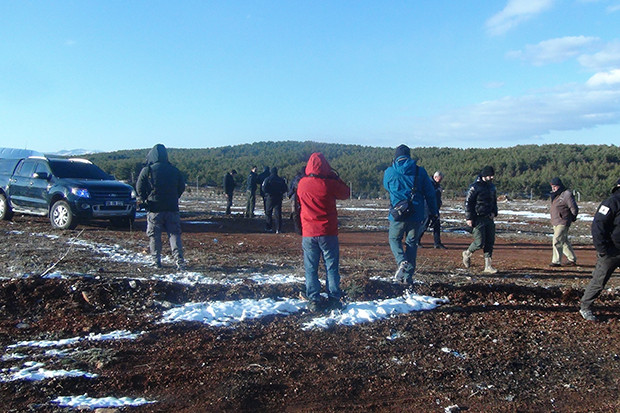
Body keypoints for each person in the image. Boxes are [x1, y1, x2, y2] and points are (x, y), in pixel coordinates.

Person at [297, 152, 350, 312]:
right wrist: (335, 178)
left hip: (309, 232)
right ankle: (334, 298)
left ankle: (313, 299)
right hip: (328, 231)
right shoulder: (329, 184)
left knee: (311, 267)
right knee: (331, 266)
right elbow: (346, 193)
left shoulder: (302, 184)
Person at [383, 144, 438, 284]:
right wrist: (434, 212)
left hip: (397, 213)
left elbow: (387, 187)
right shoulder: (420, 171)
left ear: (395, 157)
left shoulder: (389, 172)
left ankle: (401, 261)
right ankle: (408, 278)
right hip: (416, 214)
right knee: (411, 243)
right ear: (409, 156)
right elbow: (430, 193)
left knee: (394, 239)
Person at [136, 144, 186, 270]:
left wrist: (144, 199)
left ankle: (156, 260)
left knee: (154, 236)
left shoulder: (148, 170)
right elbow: (181, 186)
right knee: (174, 234)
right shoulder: (174, 170)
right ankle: (179, 260)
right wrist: (174, 197)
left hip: (154, 208)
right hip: (172, 207)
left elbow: (139, 187)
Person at [579, 178, 620, 321]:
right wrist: (603, 249)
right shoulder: (611, 203)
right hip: (611, 251)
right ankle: (586, 307)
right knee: (599, 280)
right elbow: (598, 226)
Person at [462, 166, 499, 274]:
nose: (492, 177)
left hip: (489, 218)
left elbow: (494, 201)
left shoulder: (492, 187)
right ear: (484, 175)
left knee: (489, 242)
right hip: (478, 218)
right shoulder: (475, 187)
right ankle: (467, 253)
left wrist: (494, 212)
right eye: (489, 175)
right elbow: (468, 203)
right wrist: (469, 218)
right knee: (479, 242)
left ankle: (488, 266)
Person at [549, 177, 579, 267]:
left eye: (555, 186)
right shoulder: (555, 195)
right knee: (564, 241)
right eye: (552, 186)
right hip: (556, 221)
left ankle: (556, 261)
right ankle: (572, 259)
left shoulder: (566, 194)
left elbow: (574, 207)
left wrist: (573, 217)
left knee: (557, 240)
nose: (553, 188)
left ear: (559, 185)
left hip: (563, 221)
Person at [418, 171, 446, 249]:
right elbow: (427, 196)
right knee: (425, 224)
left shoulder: (438, 186)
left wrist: (439, 203)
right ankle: (416, 241)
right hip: (427, 207)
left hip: (435, 207)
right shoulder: (428, 184)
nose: (440, 181)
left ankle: (437, 243)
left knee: (437, 225)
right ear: (435, 177)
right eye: (440, 179)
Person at [261, 167, 288, 233]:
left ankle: (269, 227)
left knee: (268, 212)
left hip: (270, 197)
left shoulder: (268, 179)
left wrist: (268, 193)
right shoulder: (281, 180)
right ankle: (278, 229)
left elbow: (263, 188)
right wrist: (280, 192)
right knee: (278, 213)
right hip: (278, 197)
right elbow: (285, 188)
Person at [287, 167, 306, 235]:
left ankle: (298, 230)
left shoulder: (296, 178)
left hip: (295, 197)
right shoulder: (307, 178)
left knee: (295, 213)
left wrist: (289, 194)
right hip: (305, 198)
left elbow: (292, 187)